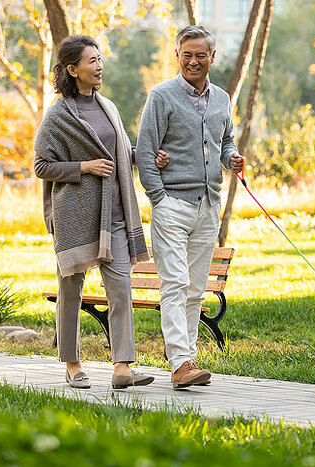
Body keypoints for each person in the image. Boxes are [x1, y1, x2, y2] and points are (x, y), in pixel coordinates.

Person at [34, 35, 168, 389]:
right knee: (71, 291)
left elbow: (120, 152)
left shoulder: (108, 106)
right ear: (72, 69)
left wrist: (147, 156)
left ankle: (122, 367)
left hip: (116, 216)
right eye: (92, 61)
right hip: (76, 218)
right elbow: (41, 165)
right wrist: (84, 167)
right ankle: (72, 362)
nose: (99, 66)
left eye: (99, 59)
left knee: (121, 288)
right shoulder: (59, 114)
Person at [136, 25, 244, 389]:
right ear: (178, 56)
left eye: (201, 55)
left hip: (208, 205)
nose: (193, 61)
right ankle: (179, 362)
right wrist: (159, 198)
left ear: (212, 57)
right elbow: (145, 151)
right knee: (175, 284)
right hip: (172, 205)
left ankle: (188, 360)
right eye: (187, 55)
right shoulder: (161, 96)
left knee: (196, 289)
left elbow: (225, 139)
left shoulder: (222, 99)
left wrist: (231, 157)